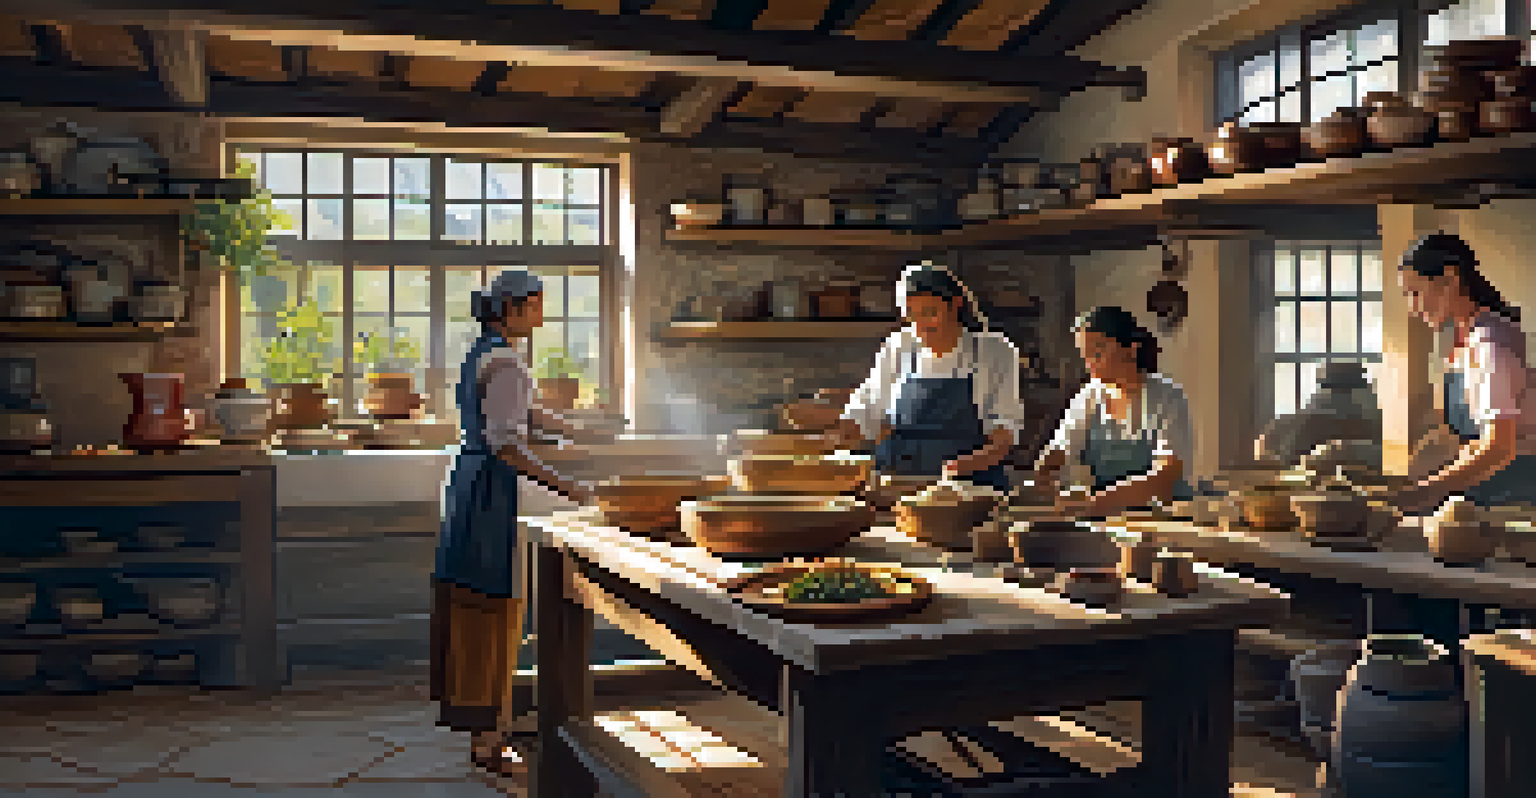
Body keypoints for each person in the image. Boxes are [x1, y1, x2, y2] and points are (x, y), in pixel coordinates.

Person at [431, 268, 609, 777]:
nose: (541, 314)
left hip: (467, 482)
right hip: (490, 492)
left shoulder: (482, 352)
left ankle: (485, 729)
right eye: (535, 305)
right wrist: (570, 487)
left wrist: (570, 424)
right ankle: (490, 740)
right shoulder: (506, 362)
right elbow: (507, 443)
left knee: (473, 603)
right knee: (494, 605)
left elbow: (515, 414)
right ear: (511, 310)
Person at [829, 261, 1023, 491]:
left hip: (970, 488)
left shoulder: (992, 352)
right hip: (896, 485)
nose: (921, 326)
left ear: (956, 305)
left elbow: (1004, 431)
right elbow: (871, 406)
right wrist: (842, 432)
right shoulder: (898, 346)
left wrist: (962, 468)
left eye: (930, 313)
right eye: (911, 315)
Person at [1391, 232, 1536, 514]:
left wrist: (1427, 491)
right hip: (1483, 487)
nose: (1412, 308)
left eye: (1416, 293)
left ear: (1450, 279)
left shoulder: (1492, 342)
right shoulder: (1465, 339)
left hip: (1513, 497)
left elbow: (1499, 447)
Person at [1034, 306, 1194, 516]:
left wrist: (1095, 503)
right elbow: (1060, 451)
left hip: (1166, 518)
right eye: (1085, 355)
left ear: (1131, 349)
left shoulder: (1167, 398)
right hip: (1110, 517)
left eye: (1098, 352)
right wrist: (1042, 477)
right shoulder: (1088, 398)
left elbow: (1165, 477)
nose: (1090, 363)